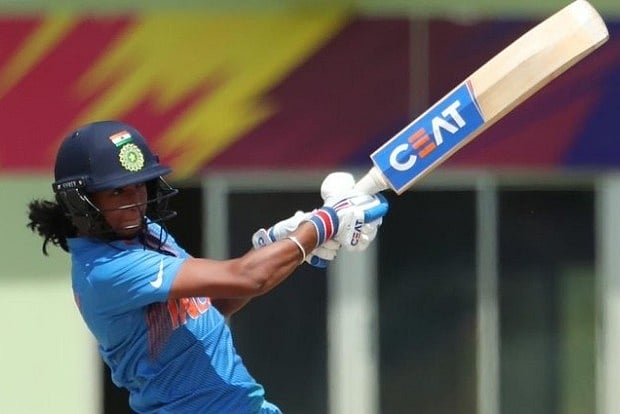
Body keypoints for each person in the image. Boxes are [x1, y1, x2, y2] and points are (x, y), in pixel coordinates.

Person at [27, 120, 388, 414]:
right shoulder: (105, 270)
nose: (136, 202)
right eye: (118, 192)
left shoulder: (140, 232)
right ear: (81, 201)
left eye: (139, 187)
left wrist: (283, 245)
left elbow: (213, 304)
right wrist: (323, 224)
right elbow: (248, 277)